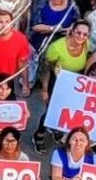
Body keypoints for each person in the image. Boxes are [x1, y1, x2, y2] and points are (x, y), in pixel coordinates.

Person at [33, 21, 91, 153]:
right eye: (78, 32)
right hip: (56, 82)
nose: (81, 36)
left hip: (74, 84)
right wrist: (44, 90)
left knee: (67, 111)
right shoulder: (56, 48)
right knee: (51, 112)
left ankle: (56, 129)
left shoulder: (87, 45)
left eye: (85, 34)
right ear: (72, 31)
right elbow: (46, 69)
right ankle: (39, 134)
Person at [28, 0, 80, 82]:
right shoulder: (43, 3)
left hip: (61, 43)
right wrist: (52, 28)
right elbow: (34, 26)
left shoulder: (72, 5)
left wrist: (71, 29)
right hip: (41, 41)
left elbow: (78, 22)